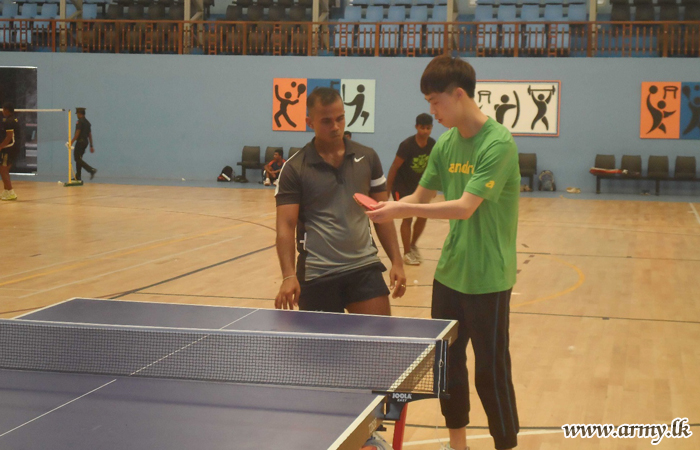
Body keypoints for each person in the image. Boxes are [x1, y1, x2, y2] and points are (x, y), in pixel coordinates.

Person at [366, 56, 520, 450]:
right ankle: (457, 444)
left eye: (436, 102)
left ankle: (505, 444)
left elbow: (465, 207)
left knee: (491, 371)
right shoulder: (446, 144)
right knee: (448, 367)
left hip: (488, 277)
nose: (432, 112)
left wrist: (400, 209)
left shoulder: (498, 144)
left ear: (459, 95)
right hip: (450, 273)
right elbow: (422, 196)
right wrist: (391, 206)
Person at [274, 87, 406, 315]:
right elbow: (286, 225)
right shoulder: (295, 168)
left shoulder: (368, 157)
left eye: (340, 118)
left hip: (364, 268)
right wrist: (288, 276)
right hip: (317, 274)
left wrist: (397, 261)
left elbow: (382, 215)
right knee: (321, 342)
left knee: (378, 336)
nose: (335, 126)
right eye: (326, 121)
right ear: (310, 122)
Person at [386, 113, 435, 266]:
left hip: (420, 186)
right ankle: (406, 253)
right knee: (407, 217)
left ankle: (413, 246)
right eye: (422, 128)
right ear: (416, 127)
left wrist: (433, 186)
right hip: (402, 186)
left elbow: (433, 166)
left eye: (428, 128)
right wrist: (387, 190)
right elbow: (394, 167)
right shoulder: (407, 145)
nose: (425, 131)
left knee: (423, 215)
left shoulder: (432, 144)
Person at [70, 107, 97, 181]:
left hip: (80, 142)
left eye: (77, 114)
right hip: (85, 142)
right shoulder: (87, 123)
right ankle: (78, 176)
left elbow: (77, 133)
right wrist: (91, 145)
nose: (77, 115)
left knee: (77, 158)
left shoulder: (80, 122)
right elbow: (90, 135)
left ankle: (91, 170)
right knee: (79, 159)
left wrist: (71, 141)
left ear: (79, 114)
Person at [0, 102, 19, 201]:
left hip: (9, 148)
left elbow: (9, 137)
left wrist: (0, 146)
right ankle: (7, 190)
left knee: (3, 170)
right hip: (13, 148)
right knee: (4, 169)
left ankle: (11, 191)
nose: (2, 111)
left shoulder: (9, 121)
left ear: (7, 110)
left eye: (3, 109)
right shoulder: (14, 119)